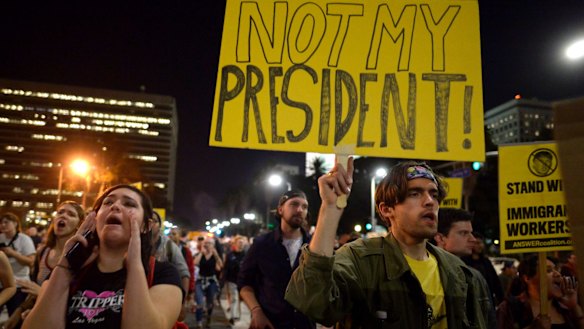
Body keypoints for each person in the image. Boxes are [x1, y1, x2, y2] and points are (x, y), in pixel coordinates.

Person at [286, 160, 492, 328]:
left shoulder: (460, 273)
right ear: (386, 209)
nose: (429, 201)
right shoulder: (360, 260)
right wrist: (330, 208)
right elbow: (314, 303)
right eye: (415, 193)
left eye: (433, 194)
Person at [22, 184, 183, 329]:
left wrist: (134, 265)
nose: (115, 206)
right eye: (108, 202)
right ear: (95, 218)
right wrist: (64, 266)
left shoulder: (163, 274)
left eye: (129, 204)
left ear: (146, 226)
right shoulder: (67, 272)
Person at [238, 189, 315, 329]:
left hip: (304, 324)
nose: (300, 210)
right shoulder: (262, 244)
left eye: (305, 206)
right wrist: (256, 311)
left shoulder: (314, 246)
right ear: (280, 210)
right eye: (294, 204)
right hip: (270, 323)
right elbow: (244, 283)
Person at [3, 201, 85, 329]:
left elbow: (81, 301)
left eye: (71, 214)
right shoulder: (43, 252)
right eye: (60, 212)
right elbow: (34, 288)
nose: (63, 216)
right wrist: (18, 312)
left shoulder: (82, 257)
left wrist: (42, 292)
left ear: (79, 225)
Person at [434, 207, 496, 329]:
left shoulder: (475, 277)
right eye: (463, 233)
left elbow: (489, 320)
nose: (472, 239)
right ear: (440, 238)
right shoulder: (425, 274)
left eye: (471, 232)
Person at [497, 255, 584, 329]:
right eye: (548, 270)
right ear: (527, 278)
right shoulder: (509, 308)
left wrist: (574, 306)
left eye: (557, 269)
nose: (558, 274)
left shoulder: (564, 308)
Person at [150, 211, 191, 319]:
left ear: (160, 226)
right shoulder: (134, 242)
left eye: (154, 221)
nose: (150, 223)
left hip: (164, 298)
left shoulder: (169, 246)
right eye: (147, 219)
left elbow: (184, 274)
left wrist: (182, 303)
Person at [0, 212, 36, 316]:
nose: (2, 225)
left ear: (15, 223)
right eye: (1, 222)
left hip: (19, 283)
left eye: (6, 222)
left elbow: (31, 261)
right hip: (2, 283)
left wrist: (13, 253)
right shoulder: (1, 237)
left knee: (15, 314)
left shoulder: (24, 239)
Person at [462, 232, 505, 306]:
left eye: (481, 243)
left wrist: (501, 299)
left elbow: (495, 281)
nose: (480, 246)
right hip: (471, 301)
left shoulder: (486, 262)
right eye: (477, 243)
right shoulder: (464, 262)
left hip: (487, 299)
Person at [194, 237, 223, 328]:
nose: (207, 244)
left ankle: (208, 317)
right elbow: (195, 263)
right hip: (200, 280)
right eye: (206, 243)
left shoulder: (215, 255)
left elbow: (220, 266)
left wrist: (216, 255)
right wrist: (201, 253)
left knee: (210, 303)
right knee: (199, 302)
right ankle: (199, 322)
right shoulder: (200, 254)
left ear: (213, 245)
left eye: (209, 243)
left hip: (211, 281)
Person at [223, 235, 246, 324]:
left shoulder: (246, 254)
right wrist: (224, 279)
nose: (241, 244)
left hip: (243, 280)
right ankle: (233, 316)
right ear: (235, 244)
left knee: (241, 299)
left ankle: (238, 314)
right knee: (234, 298)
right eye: (239, 242)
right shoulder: (230, 255)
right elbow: (226, 268)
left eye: (242, 243)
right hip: (232, 280)